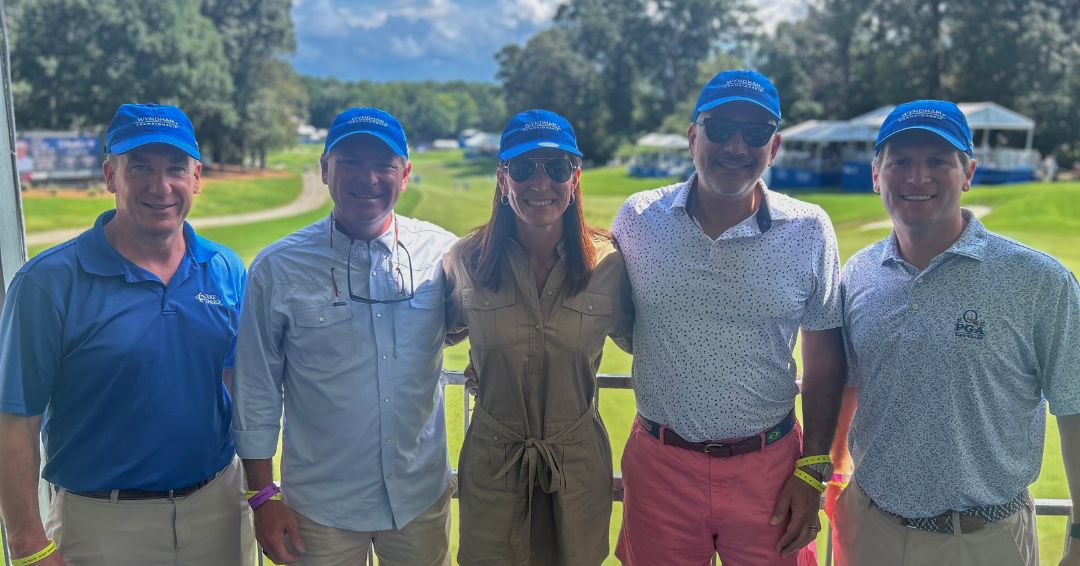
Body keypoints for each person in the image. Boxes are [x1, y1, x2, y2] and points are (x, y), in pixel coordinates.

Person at [0, 103, 253, 565]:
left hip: (218, 510)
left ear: (196, 177)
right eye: (140, 167)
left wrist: (261, 492)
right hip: (102, 525)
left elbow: (237, 387)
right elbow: (15, 419)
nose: (160, 186)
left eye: (175, 168)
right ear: (110, 176)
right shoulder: (48, 282)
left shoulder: (225, 269)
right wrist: (27, 544)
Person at [829, 100, 1080, 566]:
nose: (917, 176)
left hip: (985, 540)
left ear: (968, 174)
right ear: (876, 175)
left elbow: (1075, 406)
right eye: (901, 161)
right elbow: (849, 382)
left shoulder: (1040, 281)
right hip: (869, 529)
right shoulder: (858, 274)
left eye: (938, 161)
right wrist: (832, 476)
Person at [612, 69, 846, 566]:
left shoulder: (809, 229)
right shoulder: (638, 218)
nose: (736, 146)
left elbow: (825, 359)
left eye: (755, 133)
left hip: (771, 468)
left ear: (773, 147)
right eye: (719, 129)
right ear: (692, 137)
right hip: (660, 465)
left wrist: (812, 471)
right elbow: (602, 312)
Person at [232, 107, 457, 566]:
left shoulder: (445, 253)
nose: (367, 178)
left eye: (383, 165)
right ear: (324, 169)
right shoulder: (277, 268)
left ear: (405, 174)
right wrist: (262, 497)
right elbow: (256, 388)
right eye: (350, 161)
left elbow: (485, 324)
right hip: (319, 509)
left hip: (419, 499)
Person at [444, 109, 633, 566]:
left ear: (575, 177)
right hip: (494, 466)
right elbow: (421, 337)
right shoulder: (466, 261)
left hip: (577, 468)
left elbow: (654, 344)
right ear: (502, 178)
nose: (540, 182)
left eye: (557, 167)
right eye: (524, 167)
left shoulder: (610, 265)